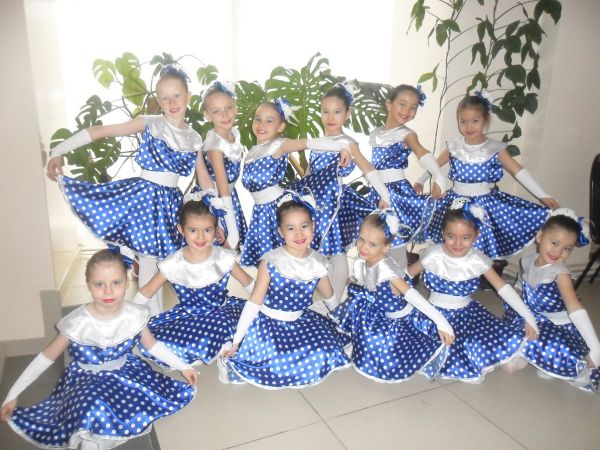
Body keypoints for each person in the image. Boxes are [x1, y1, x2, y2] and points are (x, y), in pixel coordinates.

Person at [46, 65, 214, 315]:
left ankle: (149, 320)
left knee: (162, 266)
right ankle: (146, 321)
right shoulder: (150, 123)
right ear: (158, 100)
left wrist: (218, 209)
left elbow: (205, 180)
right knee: (149, 263)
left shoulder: (194, 138)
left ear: (188, 95)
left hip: (169, 205)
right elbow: (102, 131)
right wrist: (58, 150)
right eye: (164, 97)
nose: (171, 102)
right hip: (144, 199)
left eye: (177, 95)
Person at [0, 249, 197, 450]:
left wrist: (183, 366)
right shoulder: (77, 323)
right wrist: (13, 394)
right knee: (92, 410)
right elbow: (46, 357)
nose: (108, 291)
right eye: (99, 284)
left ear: (126, 283)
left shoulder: (134, 315)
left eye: (116, 282)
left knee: (114, 418)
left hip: (125, 375)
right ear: (89, 286)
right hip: (86, 380)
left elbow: (152, 345)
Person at [221, 195, 350, 388]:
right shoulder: (271, 261)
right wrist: (237, 342)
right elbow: (255, 301)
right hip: (269, 324)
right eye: (291, 228)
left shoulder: (318, 261)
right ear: (281, 232)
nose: (299, 233)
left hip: (300, 321)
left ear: (313, 226)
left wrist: (342, 323)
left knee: (325, 349)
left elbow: (329, 295)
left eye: (304, 226)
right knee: (273, 358)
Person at [414, 90, 560, 258]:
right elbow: (434, 165)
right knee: (452, 245)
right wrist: (420, 180)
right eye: (463, 122)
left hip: (484, 206)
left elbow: (518, 171)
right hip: (454, 203)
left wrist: (542, 195)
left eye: (475, 121)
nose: (468, 127)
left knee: (476, 249)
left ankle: (475, 272)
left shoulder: (495, 148)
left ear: (486, 120)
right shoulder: (454, 146)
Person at [408, 199, 539, 382]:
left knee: (485, 345)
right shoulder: (432, 255)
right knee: (424, 346)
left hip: (466, 314)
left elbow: (503, 288)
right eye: (451, 236)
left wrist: (528, 317)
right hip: (432, 313)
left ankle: (506, 356)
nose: (457, 243)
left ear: (476, 235)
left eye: (465, 237)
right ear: (443, 233)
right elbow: (404, 278)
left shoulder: (477, 260)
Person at [132, 192, 254, 370]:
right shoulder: (173, 263)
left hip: (222, 312)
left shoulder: (223, 257)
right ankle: (213, 351)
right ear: (181, 230)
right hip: (189, 317)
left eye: (207, 230)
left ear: (216, 230)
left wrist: (268, 304)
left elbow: (248, 282)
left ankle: (225, 354)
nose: (201, 237)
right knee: (158, 340)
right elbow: (147, 291)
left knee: (246, 324)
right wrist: (126, 315)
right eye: (193, 230)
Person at [330, 210, 454, 382]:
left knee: (376, 341)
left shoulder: (386, 269)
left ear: (386, 247)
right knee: (357, 306)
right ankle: (356, 341)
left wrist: (441, 321)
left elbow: (412, 295)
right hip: (377, 308)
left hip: (396, 319)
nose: (364, 247)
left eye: (372, 244)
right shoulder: (363, 259)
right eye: (361, 239)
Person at [239, 98, 350, 269]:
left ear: (280, 127)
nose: (261, 125)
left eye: (269, 121)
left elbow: (308, 143)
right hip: (260, 212)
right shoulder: (252, 152)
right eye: (258, 119)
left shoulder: (279, 145)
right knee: (268, 262)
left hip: (276, 209)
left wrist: (341, 146)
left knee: (288, 261)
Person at [306, 83, 388, 301]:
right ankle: (325, 298)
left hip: (335, 205)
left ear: (347, 113)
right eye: (325, 111)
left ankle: (335, 301)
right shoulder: (316, 141)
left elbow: (367, 167)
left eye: (337, 111)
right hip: (314, 204)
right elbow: (310, 173)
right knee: (318, 253)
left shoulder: (348, 143)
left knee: (337, 253)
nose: (330, 117)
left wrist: (384, 195)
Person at [503, 209, 600, 392]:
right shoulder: (528, 260)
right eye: (554, 243)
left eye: (567, 249)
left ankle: (550, 358)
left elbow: (575, 308)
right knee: (507, 358)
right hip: (533, 317)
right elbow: (521, 281)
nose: (558, 252)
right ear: (540, 237)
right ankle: (530, 353)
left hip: (556, 326)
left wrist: (596, 348)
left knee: (515, 363)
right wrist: (515, 300)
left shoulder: (560, 274)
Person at [365, 84, 447, 269]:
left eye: (413, 107)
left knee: (395, 242)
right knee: (373, 241)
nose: (407, 111)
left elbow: (421, 152)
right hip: (377, 192)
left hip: (396, 193)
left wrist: (438, 176)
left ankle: (399, 282)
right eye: (402, 104)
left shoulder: (407, 134)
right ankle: (374, 281)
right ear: (389, 104)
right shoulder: (376, 134)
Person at [201, 81, 247, 249]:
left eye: (228, 107)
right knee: (220, 250)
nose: (225, 114)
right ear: (207, 115)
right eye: (216, 111)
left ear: (235, 108)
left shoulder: (234, 133)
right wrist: (232, 231)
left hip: (230, 196)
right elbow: (222, 188)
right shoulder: (215, 146)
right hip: (216, 201)